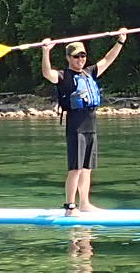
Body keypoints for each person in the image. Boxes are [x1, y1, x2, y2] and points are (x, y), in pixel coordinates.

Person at [39, 29, 130, 215]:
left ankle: (85, 204)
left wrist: (120, 41)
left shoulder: (89, 72)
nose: (80, 59)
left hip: (91, 127)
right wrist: (45, 51)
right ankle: (70, 206)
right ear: (68, 58)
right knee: (75, 169)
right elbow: (47, 73)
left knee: (87, 169)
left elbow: (108, 59)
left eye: (83, 56)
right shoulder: (63, 76)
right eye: (76, 56)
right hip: (76, 128)